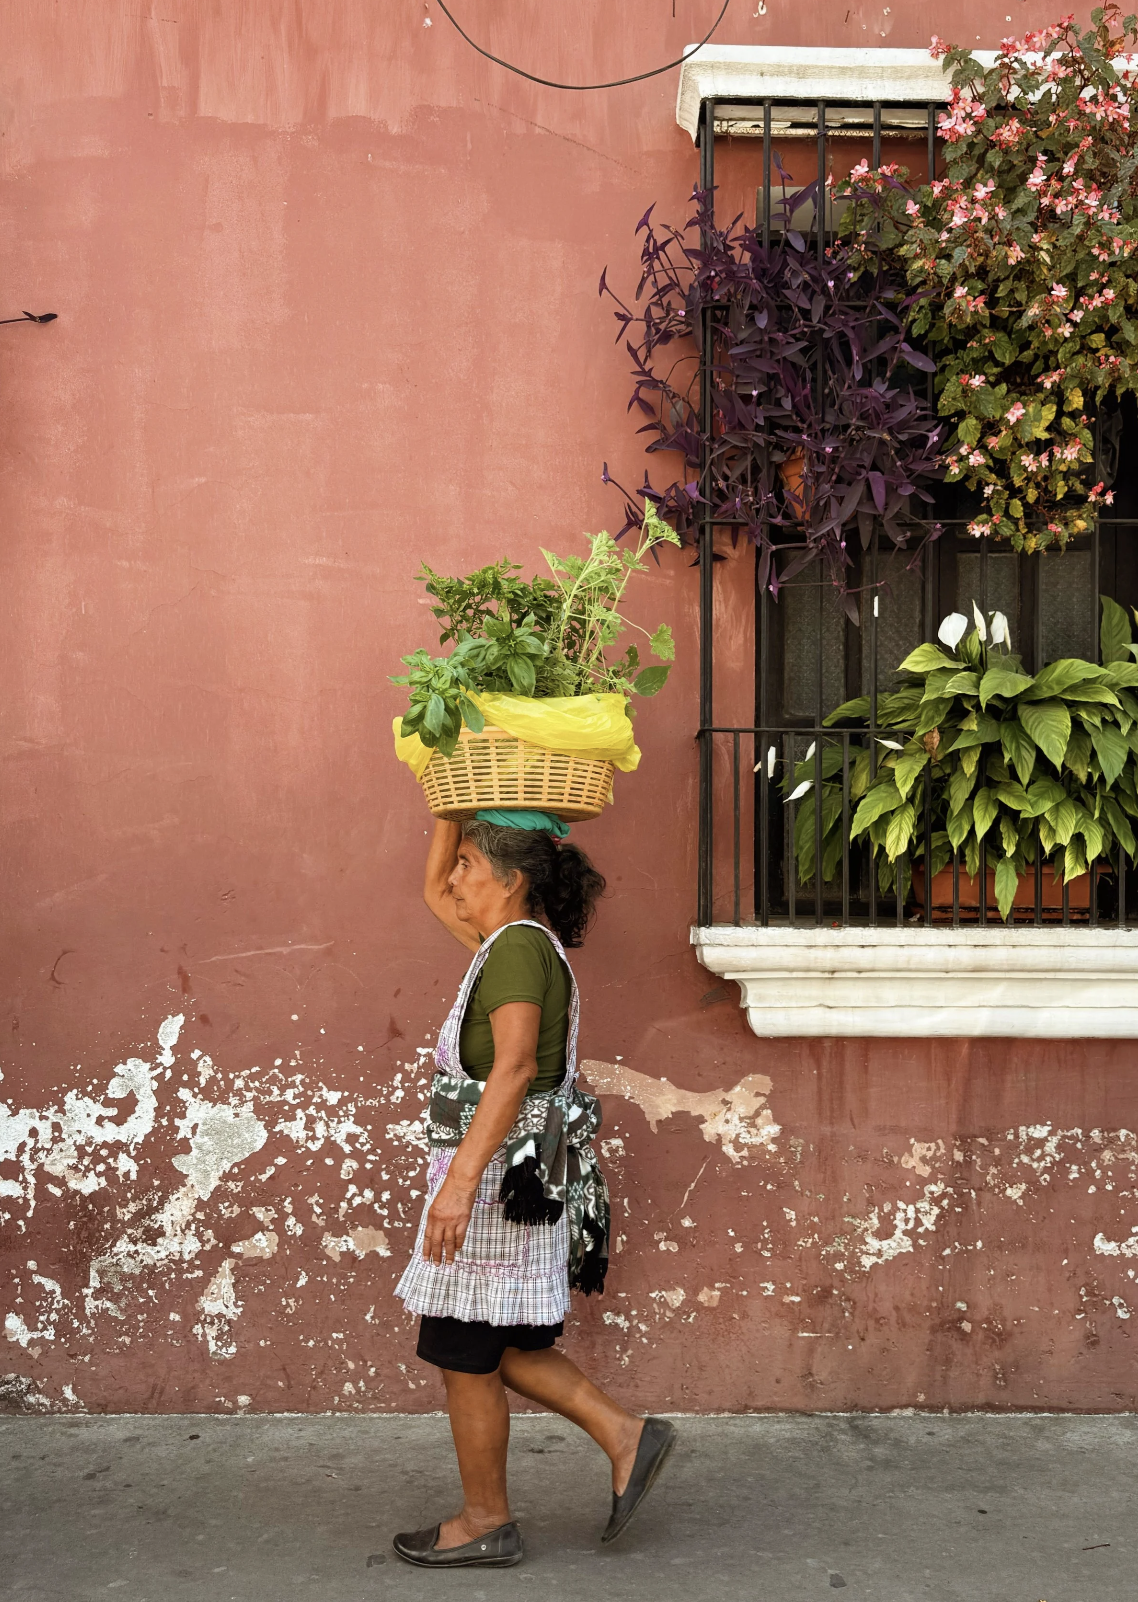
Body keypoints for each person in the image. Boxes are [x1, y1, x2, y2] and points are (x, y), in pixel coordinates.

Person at [391, 811, 676, 1569]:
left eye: (469, 865)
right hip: (505, 1175)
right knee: (505, 1342)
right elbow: (429, 888)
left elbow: (514, 1070)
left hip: (492, 1185)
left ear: (511, 880)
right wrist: (448, 806)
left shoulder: (516, 954)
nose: (453, 877)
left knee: (463, 1346)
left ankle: (484, 1520)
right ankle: (627, 1436)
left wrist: (457, 1186)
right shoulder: (505, 948)